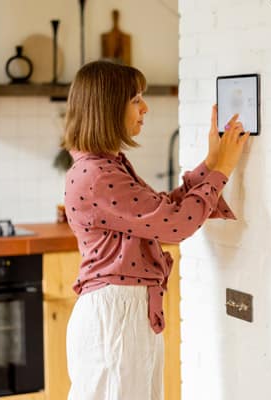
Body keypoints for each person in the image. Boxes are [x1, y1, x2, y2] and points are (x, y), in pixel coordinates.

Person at [62, 60, 249, 400]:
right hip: (116, 317)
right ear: (108, 106)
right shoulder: (99, 175)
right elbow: (174, 225)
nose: (144, 108)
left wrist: (210, 164)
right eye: (135, 99)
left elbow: (161, 210)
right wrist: (221, 169)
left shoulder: (106, 166)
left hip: (122, 312)